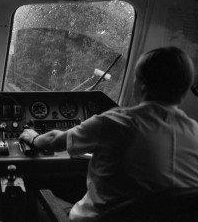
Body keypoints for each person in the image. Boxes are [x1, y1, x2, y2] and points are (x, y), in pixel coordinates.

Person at [20, 46, 198, 221]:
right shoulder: (195, 131)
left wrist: (34, 138)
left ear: (141, 85)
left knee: (33, 193)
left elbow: (54, 141)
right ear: (184, 90)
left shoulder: (117, 121)